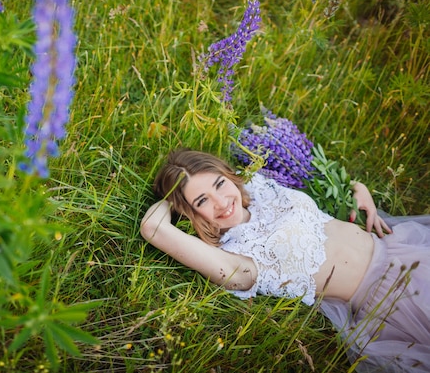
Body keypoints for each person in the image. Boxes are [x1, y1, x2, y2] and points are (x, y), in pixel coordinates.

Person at [140, 148, 430, 372]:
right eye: (201, 201)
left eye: (219, 183)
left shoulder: (259, 188)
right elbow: (153, 229)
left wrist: (358, 190)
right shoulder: (236, 259)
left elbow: (319, 181)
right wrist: (171, 197)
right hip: (395, 296)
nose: (221, 201)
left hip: (400, 246)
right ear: (189, 213)